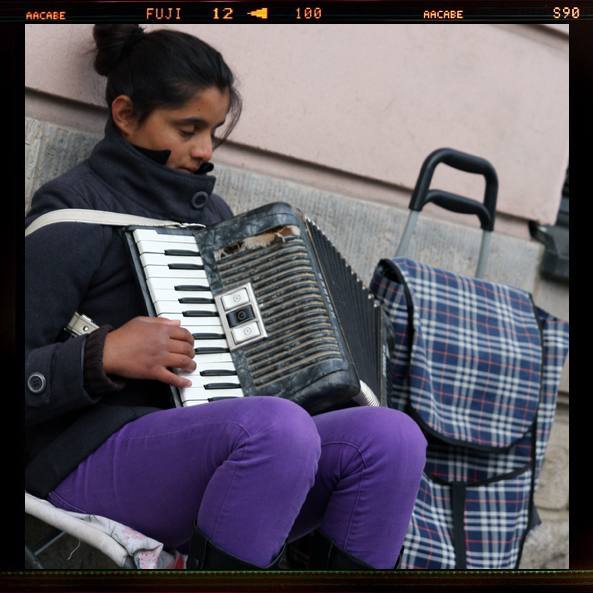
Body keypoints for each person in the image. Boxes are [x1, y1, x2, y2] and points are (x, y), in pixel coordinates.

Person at [25, 24, 427, 570]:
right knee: (276, 430)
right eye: (187, 129)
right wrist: (102, 355)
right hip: (82, 458)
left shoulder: (218, 224)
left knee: (390, 439)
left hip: (223, 444)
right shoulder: (72, 213)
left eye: (213, 130)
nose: (204, 150)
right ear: (125, 115)